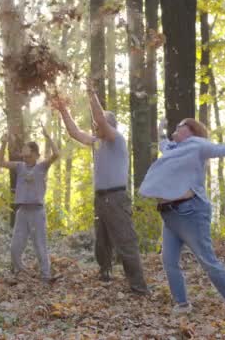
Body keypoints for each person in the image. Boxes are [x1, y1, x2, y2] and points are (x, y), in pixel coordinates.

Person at [139, 117, 225, 321]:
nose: (174, 131)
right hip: (169, 213)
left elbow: (223, 149)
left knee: (207, 259)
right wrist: (161, 128)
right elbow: (163, 142)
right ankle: (182, 305)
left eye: (178, 127)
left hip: (190, 212)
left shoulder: (197, 145)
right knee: (169, 260)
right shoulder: (172, 149)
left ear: (190, 130)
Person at [49, 89, 149, 295]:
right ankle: (105, 273)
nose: (95, 126)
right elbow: (75, 133)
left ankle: (139, 287)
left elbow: (100, 119)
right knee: (101, 242)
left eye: (99, 123)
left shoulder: (116, 139)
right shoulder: (98, 142)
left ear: (109, 125)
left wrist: (92, 95)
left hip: (116, 198)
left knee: (125, 241)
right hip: (101, 199)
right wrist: (63, 110)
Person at [0, 125, 59, 283]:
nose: (25, 157)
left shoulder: (42, 166)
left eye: (29, 155)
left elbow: (56, 154)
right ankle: (22, 271)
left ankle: (45, 276)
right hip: (22, 211)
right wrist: (4, 143)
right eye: (24, 155)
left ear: (36, 155)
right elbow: (0, 162)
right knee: (15, 248)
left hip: (37, 212)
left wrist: (48, 137)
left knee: (40, 245)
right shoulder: (19, 166)